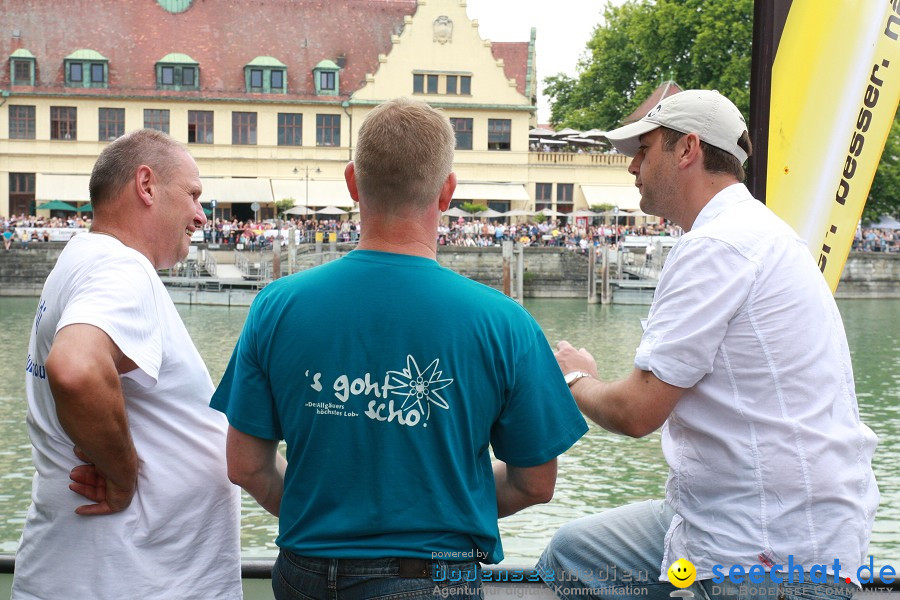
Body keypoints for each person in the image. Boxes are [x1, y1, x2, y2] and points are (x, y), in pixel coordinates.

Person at [211, 97, 588, 600]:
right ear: (447, 192)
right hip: (431, 576)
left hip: (304, 570)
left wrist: (325, 519)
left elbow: (247, 466)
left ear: (352, 183)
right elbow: (534, 484)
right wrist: (444, 498)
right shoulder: (505, 324)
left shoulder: (276, 307)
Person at [538, 90, 878, 600]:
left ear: (687, 149)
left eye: (644, 148)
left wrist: (574, 377)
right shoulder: (763, 232)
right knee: (574, 554)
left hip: (764, 545)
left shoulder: (715, 247)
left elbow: (636, 412)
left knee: (569, 560)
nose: (633, 166)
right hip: (768, 520)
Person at [13, 129, 242, 599]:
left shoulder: (81, 257)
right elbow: (76, 368)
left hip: (94, 572)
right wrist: (122, 476)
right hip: (130, 577)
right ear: (146, 185)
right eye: (194, 195)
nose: (201, 216)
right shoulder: (122, 268)